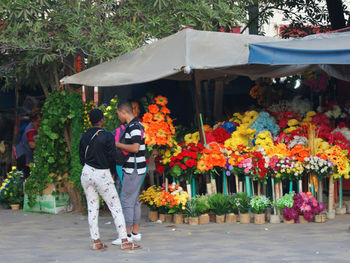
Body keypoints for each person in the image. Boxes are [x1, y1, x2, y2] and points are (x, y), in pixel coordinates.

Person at [79, 108, 140, 251]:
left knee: (92, 208)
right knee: (116, 208)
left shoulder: (84, 136)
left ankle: (96, 241)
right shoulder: (107, 136)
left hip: (87, 173)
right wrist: (112, 172)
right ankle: (125, 241)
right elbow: (112, 156)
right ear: (102, 120)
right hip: (102, 175)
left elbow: (81, 156)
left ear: (90, 121)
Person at [112, 101, 146, 245]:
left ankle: (125, 235)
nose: (118, 116)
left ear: (123, 112)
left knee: (126, 200)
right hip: (136, 168)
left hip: (134, 169)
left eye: (118, 113)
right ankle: (135, 232)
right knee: (134, 201)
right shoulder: (135, 125)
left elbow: (136, 147)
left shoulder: (134, 126)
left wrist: (117, 144)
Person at [15, 108, 41, 178]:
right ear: (34, 120)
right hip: (23, 156)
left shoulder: (37, 127)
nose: (40, 122)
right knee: (26, 177)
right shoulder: (31, 130)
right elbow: (32, 145)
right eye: (38, 120)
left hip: (28, 156)